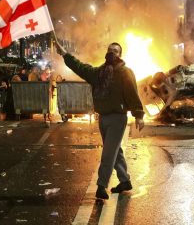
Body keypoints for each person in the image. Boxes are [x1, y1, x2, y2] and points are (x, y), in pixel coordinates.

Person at [55, 39, 144, 200]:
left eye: (115, 51)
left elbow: (132, 94)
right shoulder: (99, 73)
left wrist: (139, 115)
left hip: (118, 118)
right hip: (103, 118)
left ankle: (101, 185)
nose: (112, 52)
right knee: (115, 151)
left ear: (120, 54)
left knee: (109, 153)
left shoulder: (125, 72)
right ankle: (125, 181)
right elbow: (80, 67)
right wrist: (65, 54)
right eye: (110, 49)